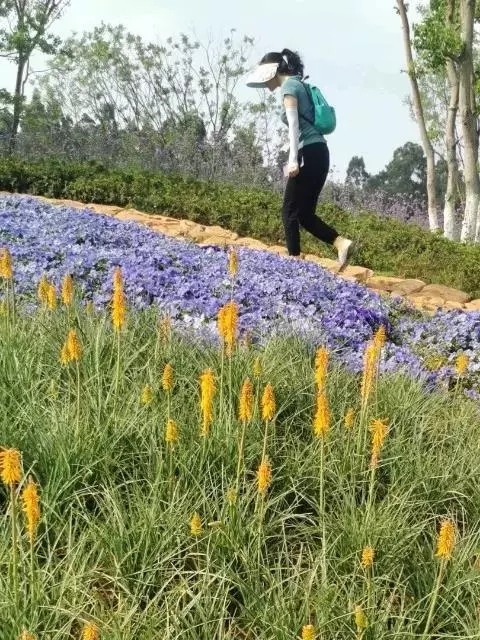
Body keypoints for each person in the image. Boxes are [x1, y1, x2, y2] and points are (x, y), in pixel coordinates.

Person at [246, 48, 353, 270]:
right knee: (304, 214)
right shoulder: (299, 84)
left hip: (308, 153)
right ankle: (340, 243)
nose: (265, 84)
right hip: (320, 153)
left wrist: (293, 159)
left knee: (289, 211)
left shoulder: (289, 87)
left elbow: (294, 125)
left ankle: (293, 266)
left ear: (273, 71)